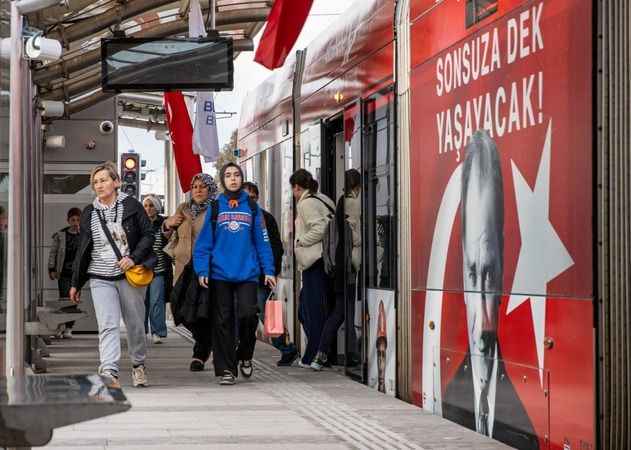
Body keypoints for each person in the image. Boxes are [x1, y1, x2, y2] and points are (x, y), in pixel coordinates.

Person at [442, 130, 538, 449]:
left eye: (490, 274)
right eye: (473, 274)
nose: (485, 320)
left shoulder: (526, 428)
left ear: (504, 267)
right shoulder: (447, 402)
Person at [69, 161, 155, 388]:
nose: (99, 185)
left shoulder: (132, 206)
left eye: (104, 180)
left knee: (135, 323)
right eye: (95, 182)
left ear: (116, 182)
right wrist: (76, 283)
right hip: (100, 276)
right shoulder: (89, 212)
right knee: (108, 324)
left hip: (129, 275)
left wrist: (133, 258)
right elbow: (84, 249)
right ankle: (110, 370)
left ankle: (138, 364)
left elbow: (148, 235)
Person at [193, 163, 276, 385]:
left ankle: (246, 354)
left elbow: (262, 241)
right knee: (223, 322)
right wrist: (202, 269)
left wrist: (268, 269)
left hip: (247, 274)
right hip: (220, 274)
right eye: (228, 175)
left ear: (242, 178)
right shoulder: (216, 207)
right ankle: (226, 370)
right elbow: (203, 243)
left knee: (248, 316)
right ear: (223, 180)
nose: (233, 178)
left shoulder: (251, 206)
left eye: (236, 175)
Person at [163, 173, 218, 371]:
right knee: (180, 310)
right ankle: (207, 340)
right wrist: (167, 224)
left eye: (203, 186)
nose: (198, 190)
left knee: (201, 312)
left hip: (206, 269)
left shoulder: (217, 210)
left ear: (210, 189)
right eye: (194, 186)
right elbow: (169, 234)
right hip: (182, 267)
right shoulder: (183, 209)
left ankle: (200, 353)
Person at [242, 182, 299, 366]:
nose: (249, 200)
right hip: (240, 277)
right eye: (246, 197)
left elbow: (276, 247)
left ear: (257, 198)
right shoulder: (236, 219)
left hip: (260, 278)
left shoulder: (266, 219)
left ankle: (286, 349)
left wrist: (270, 272)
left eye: (252, 197)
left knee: (266, 317)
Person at [310, 169, 361, 370]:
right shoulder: (353, 202)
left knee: (342, 311)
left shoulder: (341, 201)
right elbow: (355, 237)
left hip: (339, 265)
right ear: (358, 185)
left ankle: (345, 354)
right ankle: (324, 354)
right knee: (343, 312)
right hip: (349, 266)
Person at [290, 169, 335, 367]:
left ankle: (312, 355)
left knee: (311, 311)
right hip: (323, 261)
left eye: (293, 189)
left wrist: (300, 241)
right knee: (308, 309)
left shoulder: (306, 203)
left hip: (314, 261)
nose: (293, 193)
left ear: (297, 187)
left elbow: (320, 228)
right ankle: (320, 352)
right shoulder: (323, 199)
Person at [48, 207, 82, 338]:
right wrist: (51, 269)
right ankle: (61, 326)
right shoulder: (61, 235)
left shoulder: (84, 235)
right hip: (63, 272)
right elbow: (53, 253)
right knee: (63, 300)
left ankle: (69, 328)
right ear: (68, 221)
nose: (75, 222)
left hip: (77, 274)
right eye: (73, 220)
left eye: (78, 220)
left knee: (73, 301)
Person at [142, 195, 172, 344]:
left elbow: (171, 243)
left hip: (159, 269)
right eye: (146, 206)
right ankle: (142, 331)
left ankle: (157, 332)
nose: (148, 209)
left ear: (157, 207)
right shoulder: (140, 222)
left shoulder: (165, 223)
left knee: (156, 301)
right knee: (142, 302)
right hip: (142, 269)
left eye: (151, 205)